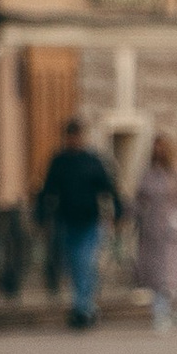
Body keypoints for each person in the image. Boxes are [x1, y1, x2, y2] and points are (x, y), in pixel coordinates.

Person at [36, 115, 122, 330]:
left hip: (90, 221)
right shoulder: (59, 162)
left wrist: (117, 211)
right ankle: (87, 306)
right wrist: (41, 215)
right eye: (70, 136)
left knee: (85, 262)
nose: (74, 140)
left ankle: (81, 309)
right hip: (66, 220)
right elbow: (47, 190)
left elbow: (108, 189)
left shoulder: (92, 161)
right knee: (73, 265)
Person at [132, 134, 177, 330]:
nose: (159, 152)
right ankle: (160, 312)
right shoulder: (150, 173)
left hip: (175, 231)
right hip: (153, 231)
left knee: (173, 275)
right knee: (156, 276)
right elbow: (139, 198)